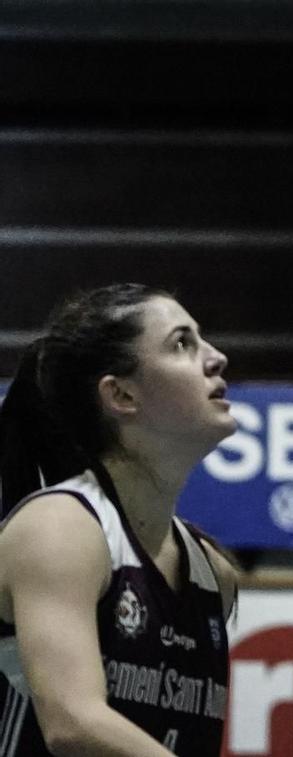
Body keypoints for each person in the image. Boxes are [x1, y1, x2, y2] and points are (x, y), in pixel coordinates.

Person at [0, 285, 239, 757]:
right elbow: (72, 722)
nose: (217, 358)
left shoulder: (216, 577)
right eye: (181, 343)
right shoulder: (60, 529)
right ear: (122, 394)